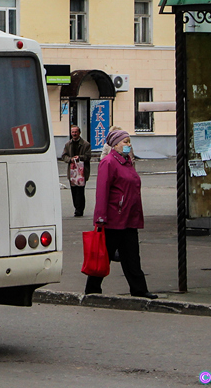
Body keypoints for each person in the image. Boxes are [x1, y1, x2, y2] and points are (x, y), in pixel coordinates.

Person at [85, 128, 157, 299]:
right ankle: (92, 290)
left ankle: (139, 290)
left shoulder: (127, 162)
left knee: (132, 256)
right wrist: (100, 218)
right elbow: (102, 191)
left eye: (129, 141)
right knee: (104, 255)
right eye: (125, 142)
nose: (128, 145)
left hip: (129, 218)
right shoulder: (108, 162)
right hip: (113, 219)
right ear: (115, 144)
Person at [61, 125, 91, 217]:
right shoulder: (68, 144)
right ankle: (76, 208)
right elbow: (64, 156)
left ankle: (80, 209)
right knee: (74, 191)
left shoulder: (86, 144)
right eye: (73, 132)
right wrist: (70, 159)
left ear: (79, 133)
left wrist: (79, 158)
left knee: (80, 191)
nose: (74, 134)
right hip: (72, 172)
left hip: (82, 172)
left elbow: (88, 156)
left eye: (76, 132)